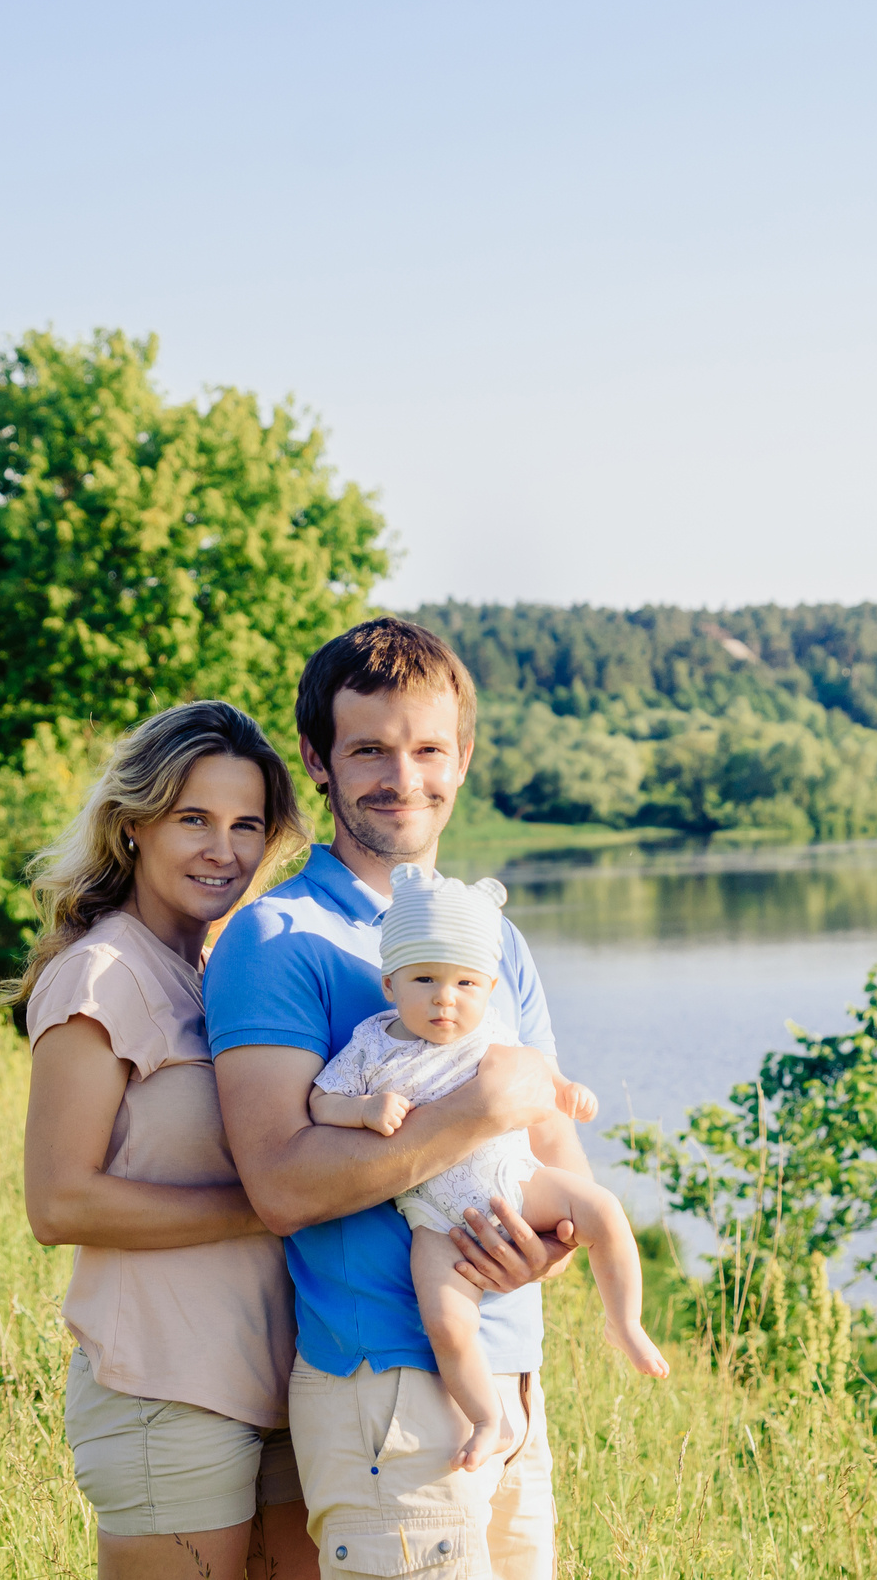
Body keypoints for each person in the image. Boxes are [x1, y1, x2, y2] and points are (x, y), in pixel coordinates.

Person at [208, 618, 588, 1580]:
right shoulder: (276, 937)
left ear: (462, 757)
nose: (402, 775)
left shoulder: (490, 941)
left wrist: (548, 1245)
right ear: (316, 760)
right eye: (368, 748)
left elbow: (551, 1148)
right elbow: (282, 1185)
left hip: (507, 1372)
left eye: (427, 748)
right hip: (381, 1381)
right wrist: (473, 1112)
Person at [16, 701, 319, 1580]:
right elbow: (58, 1200)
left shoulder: (218, 973)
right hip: (165, 1393)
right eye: (194, 819)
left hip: (279, 1387)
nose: (222, 848)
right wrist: (272, 1199)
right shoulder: (100, 973)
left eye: (245, 824)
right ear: (135, 823)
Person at [309, 863, 669, 1471]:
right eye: (425, 980)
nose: (446, 999)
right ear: (391, 983)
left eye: (467, 985)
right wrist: (364, 1110)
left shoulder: (489, 1033)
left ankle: (624, 1321)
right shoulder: (371, 1043)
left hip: (512, 1181)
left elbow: (530, 1067)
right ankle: (486, 1419)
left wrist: (564, 1087)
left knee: (602, 1207)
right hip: (433, 1217)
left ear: (489, 987)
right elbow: (320, 1100)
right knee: (447, 1324)